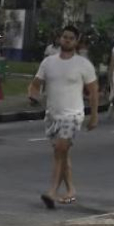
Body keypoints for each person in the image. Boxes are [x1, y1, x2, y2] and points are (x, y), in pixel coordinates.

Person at [28, 25, 100, 208]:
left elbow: (93, 91)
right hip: (53, 115)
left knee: (61, 148)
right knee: (61, 153)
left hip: (73, 114)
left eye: (71, 38)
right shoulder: (48, 62)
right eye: (64, 37)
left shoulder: (83, 64)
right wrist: (33, 94)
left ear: (76, 41)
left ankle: (52, 191)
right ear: (60, 39)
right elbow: (36, 83)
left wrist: (94, 116)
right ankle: (71, 190)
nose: (67, 40)